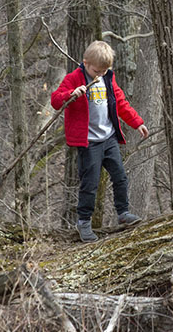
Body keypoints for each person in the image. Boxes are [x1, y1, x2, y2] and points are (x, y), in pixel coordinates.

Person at [51, 40, 149, 243]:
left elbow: (121, 103)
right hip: (89, 142)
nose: (100, 74)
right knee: (90, 183)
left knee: (120, 176)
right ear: (85, 63)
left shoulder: (108, 79)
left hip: (109, 138)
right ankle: (84, 222)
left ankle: (123, 212)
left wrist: (136, 122)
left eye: (104, 71)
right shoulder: (73, 78)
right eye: (97, 70)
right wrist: (72, 94)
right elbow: (55, 100)